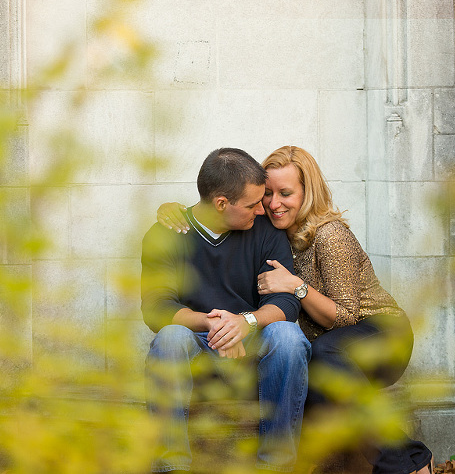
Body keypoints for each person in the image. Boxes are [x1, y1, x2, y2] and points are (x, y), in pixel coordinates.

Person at [156, 145, 433, 474]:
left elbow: (344, 316)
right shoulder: (269, 229)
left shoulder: (330, 235)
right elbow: (211, 212)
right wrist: (177, 211)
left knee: (322, 353)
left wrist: (295, 287)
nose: (272, 204)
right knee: (311, 375)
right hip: (332, 346)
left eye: (285, 193)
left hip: (379, 334)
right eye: (266, 194)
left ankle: (408, 461)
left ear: (307, 192)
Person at [142, 147, 311, 473]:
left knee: (288, 336)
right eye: (252, 204)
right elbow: (156, 307)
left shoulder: (265, 232)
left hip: (253, 352)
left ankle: (276, 467)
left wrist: (245, 322)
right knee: (170, 338)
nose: (263, 211)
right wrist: (216, 323)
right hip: (197, 350)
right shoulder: (165, 235)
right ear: (222, 203)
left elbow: (287, 302)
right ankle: (171, 467)